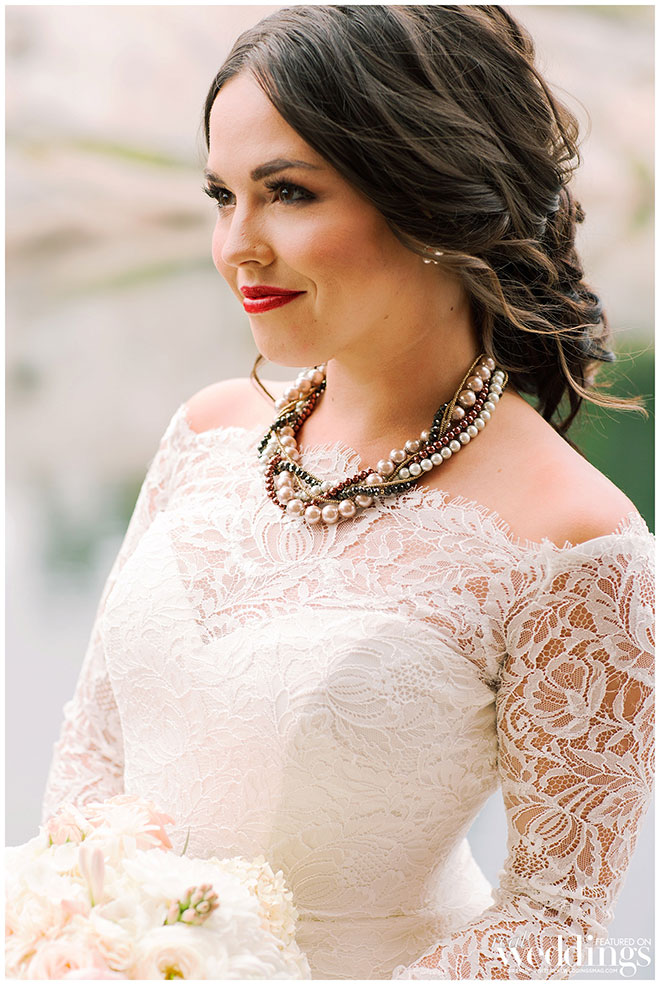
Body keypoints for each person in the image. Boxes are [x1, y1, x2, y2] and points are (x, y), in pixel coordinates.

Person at [42, 6, 654, 980]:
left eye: (287, 192)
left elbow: (552, 914)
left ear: (432, 197)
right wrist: (74, 939)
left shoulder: (576, 541)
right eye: (222, 196)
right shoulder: (206, 432)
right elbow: (93, 747)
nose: (236, 246)